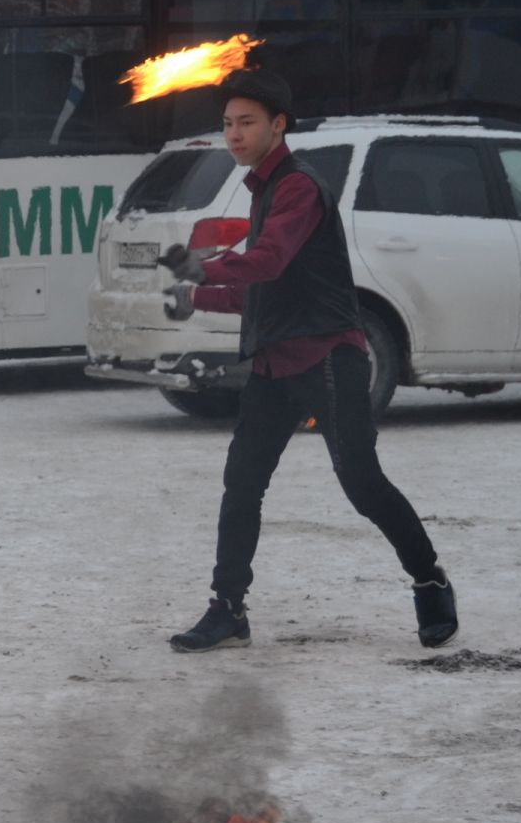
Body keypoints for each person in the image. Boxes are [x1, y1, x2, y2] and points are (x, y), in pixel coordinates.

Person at [159, 69, 458, 653]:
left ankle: (429, 581)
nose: (234, 134)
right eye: (227, 124)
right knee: (241, 485)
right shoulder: (263, 190)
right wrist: (195, 295)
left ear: (278, 125)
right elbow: (263, 288)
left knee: (362, 484)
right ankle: (227, 609)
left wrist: (204, 266)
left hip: (327, 362)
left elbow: (266, 262)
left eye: (247, 123)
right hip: (274, 367)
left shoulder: (297, 186)